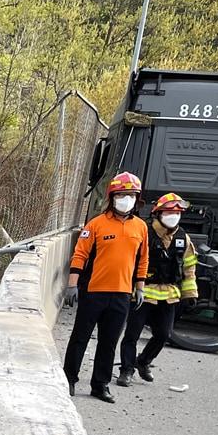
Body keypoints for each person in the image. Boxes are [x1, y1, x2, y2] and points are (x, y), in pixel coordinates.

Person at [62, 171, 149, 403]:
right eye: (122, 194)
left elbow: (143, 260)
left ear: (136, 198)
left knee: (109, 342)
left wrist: (139, 287)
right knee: (80, 337)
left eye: (131, 195)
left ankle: (100, 385)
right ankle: (68, 378)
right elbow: (80, 254)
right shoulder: (96, 225)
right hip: (94, 292)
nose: (126, 199)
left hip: (121, 294)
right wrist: (72, 285)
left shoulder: (140, 228)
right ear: (112, 197)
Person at [117, 192, 198, 386]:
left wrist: (191, 293)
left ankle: (143, 362)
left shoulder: (183, 239)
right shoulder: (144, 232)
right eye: (170, 212)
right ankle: (126, 370)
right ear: (158, 213)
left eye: (177, 213)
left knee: (163, 334)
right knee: (132, 335)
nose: (174, 216)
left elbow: (189, 267)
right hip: (142, 293)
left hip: (169, 295)